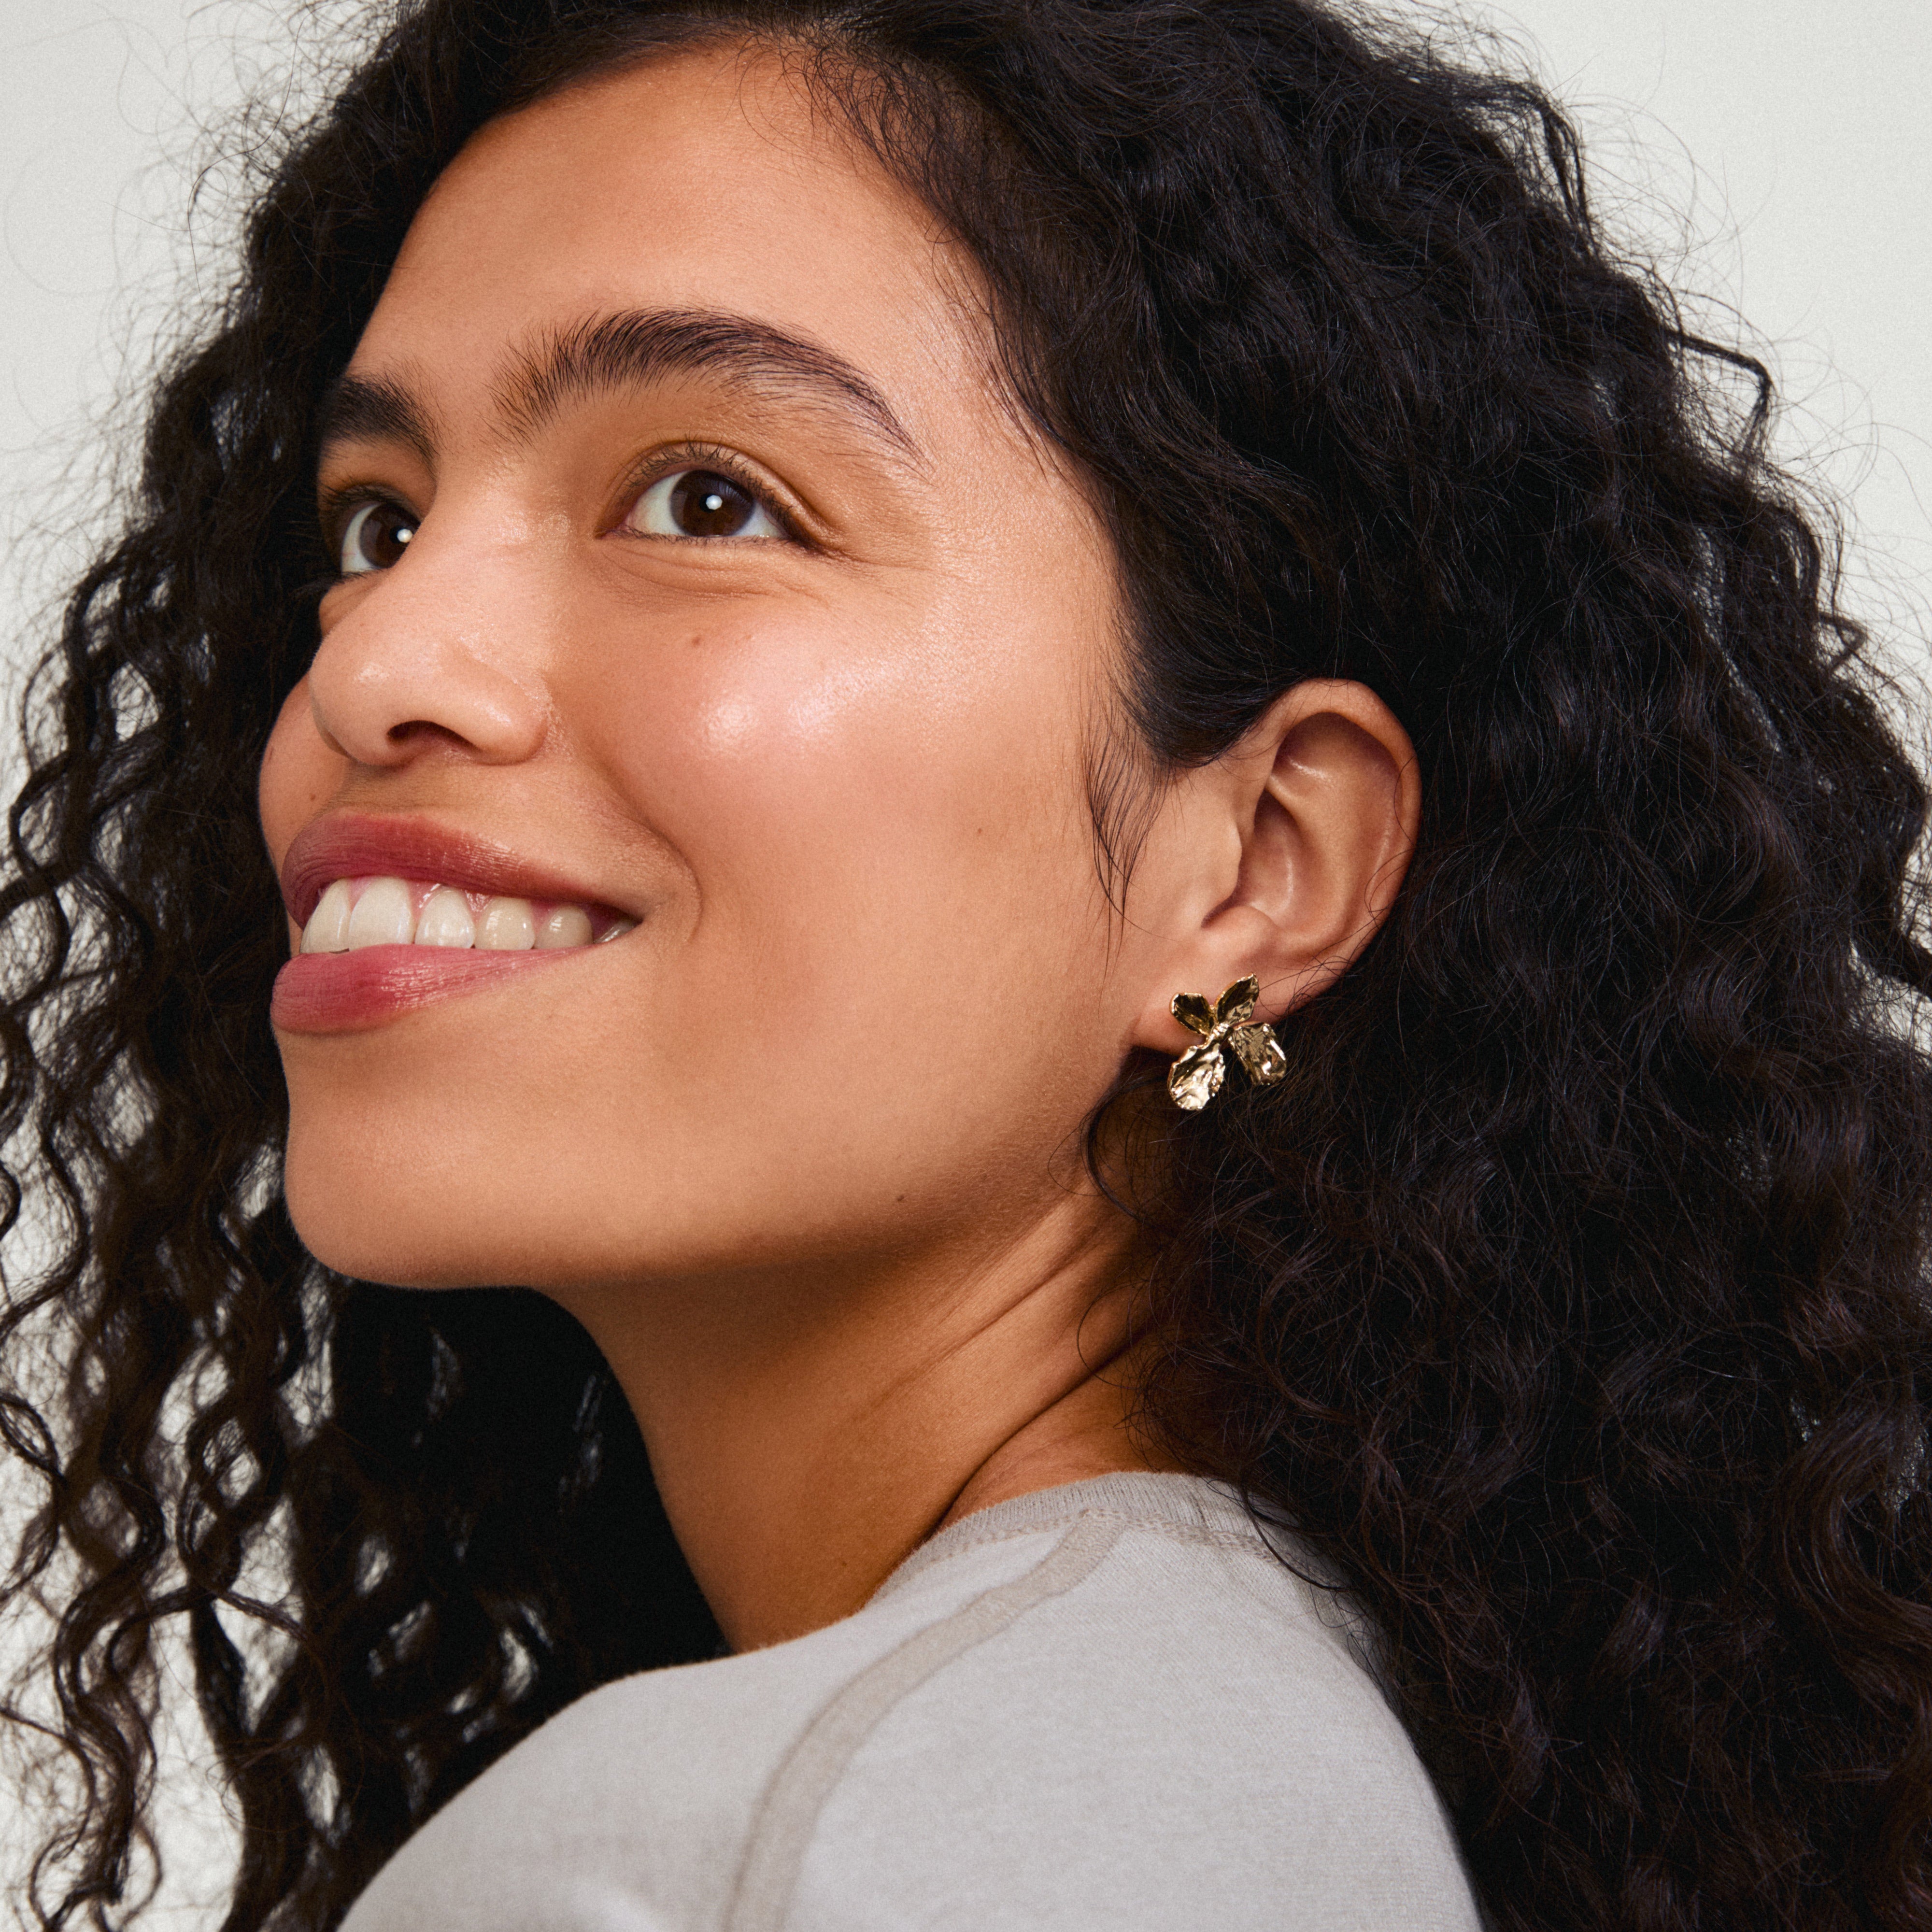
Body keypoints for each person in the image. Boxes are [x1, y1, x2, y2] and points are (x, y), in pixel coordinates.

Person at [3, 0, 1929, 1926]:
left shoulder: (786, 1849)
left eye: (707, 499)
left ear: (1254, 865)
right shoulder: (1213, 1758)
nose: (370, 664)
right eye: (379, 521)